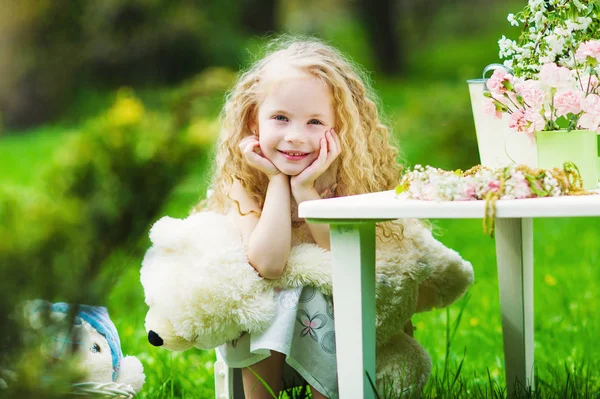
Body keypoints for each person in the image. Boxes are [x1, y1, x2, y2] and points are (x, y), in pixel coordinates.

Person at [199, 37, 464, 399]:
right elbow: (269, 264)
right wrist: (278, 183)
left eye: (314, 122)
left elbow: (342, 257)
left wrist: (306, 192)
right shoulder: (245, 180)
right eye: (280, 118)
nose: (296, 137)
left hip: (342, 330)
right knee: (267, 295)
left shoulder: (348, 177)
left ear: (340, 127)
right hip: (265, 339)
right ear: (252, 120)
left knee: (315, 293)